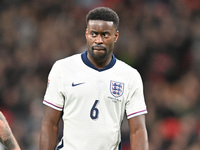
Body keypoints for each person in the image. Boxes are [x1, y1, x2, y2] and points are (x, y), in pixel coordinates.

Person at [40, 7, 148, 150]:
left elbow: (138, 130)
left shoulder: (130, 76)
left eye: (105, 35)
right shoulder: (62, 69)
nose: (98, 40)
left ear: (115, 36)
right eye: (94, 34)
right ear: (86, 34)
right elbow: (50, 124)